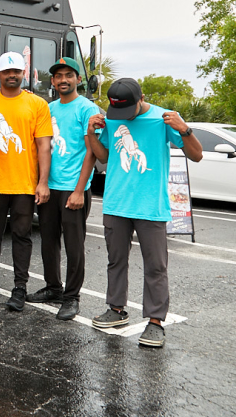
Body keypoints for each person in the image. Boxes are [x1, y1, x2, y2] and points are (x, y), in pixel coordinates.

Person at [88, 78, 202, 348]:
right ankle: (116, 309)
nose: (122, 117)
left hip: (150, 206)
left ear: (141, 98)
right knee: (115, 261)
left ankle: (155, 322)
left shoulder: (163, 119)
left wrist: (184, 130)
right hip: (116, 204)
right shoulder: (113, 118)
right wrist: (92, 133)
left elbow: (196, 155)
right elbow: (103, 157)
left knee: (155, 267)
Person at [26, 57, 99, 320]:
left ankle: (72, 297)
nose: (63, 80)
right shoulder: (48, 108)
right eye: (58, 76)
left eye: (69, 75)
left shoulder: (87, 109)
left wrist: (79, 191)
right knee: (48, 242)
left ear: (78, 79)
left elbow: (91, 152)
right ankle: (53, 288)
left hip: (73, 189)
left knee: (74, 245)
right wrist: (40, 182)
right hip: (49, 187)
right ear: (53, 81)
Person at [0, 51, 52, 312]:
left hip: (24, 184)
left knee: (22, 236)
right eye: (7, 71)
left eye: (17, 71)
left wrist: (42, 183)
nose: (12, 75)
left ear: (24, 73)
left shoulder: (37, 104)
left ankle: (19, 287)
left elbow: (44, 146)